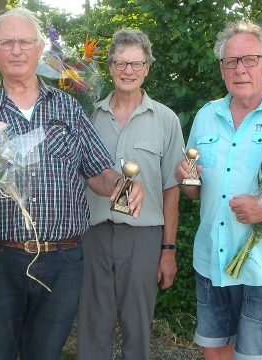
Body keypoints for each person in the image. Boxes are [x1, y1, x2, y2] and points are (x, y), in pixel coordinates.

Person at [0, 8, 144, 360]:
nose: (16, 50)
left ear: (40, 48)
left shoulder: (68, 109)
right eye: (6, 43)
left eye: (25, 42)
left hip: (62, 260)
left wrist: (122, 185)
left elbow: (98, 172)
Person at [174, 20, 262, 360]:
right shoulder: (206, 116)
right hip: (212, 260)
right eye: (230, 61)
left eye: (249, 59)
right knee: (214, 355)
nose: (239, 69)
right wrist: (187, 179)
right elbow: (195, 193)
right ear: (222, 69)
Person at [77, 29, 185, 360]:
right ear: (109, 66)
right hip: (92, 234)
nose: (128, 71)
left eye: (136, 63)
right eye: (121, 63)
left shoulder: (165, 120)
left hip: (143, 239)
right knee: (92, 326)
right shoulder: (87, 115)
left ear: (148, 67)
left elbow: (172, 191)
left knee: (137, 329)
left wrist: (168, 250)